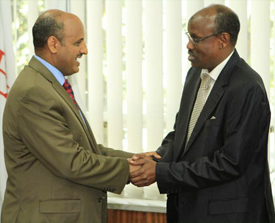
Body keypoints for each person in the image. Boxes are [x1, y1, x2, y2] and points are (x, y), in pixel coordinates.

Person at [129, 4, 275, 223]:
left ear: (222, 40)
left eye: (196, 39)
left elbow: (230, 162)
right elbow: (182, 135)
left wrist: (161, 172)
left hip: (228, 215)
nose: (188, 45)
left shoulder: (247, 87)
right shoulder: (195, 74)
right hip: (189, 208)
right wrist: (156, 158)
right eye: (189, 36)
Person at [1, 9, 141, 223]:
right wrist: (132, 170)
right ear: (53, 44)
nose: (84, 50)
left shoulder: (50, 85)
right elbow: (73, 161)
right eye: (78, 43)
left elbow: (85, 150)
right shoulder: (34, 92)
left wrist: (136, 159)